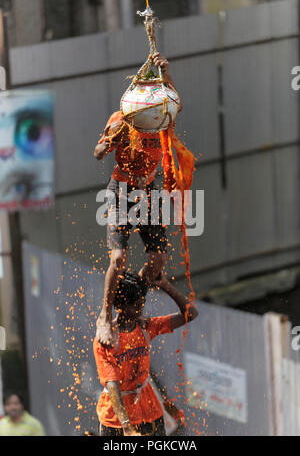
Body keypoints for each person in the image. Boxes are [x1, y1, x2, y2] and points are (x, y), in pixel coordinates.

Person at [94, 53, 182, 346]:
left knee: (157, 261)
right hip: (121, 190)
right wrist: (110, 141)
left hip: (148, 192)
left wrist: (165, 70)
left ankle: (132, 305)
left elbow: (175, 100)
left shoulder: (159, 116)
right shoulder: (124, 117)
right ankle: (105, 316)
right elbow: (97, 153)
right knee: (118, 257)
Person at [93, 271, 198, 436]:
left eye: (142, 303)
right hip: (116, 418)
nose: (140, 308)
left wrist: (165, 285)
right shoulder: (107, 339)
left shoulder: (145, 327)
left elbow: (191, 314)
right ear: (121, 306)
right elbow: (113, 385)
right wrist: (126, 426)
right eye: (135, 305)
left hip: (148, 409)